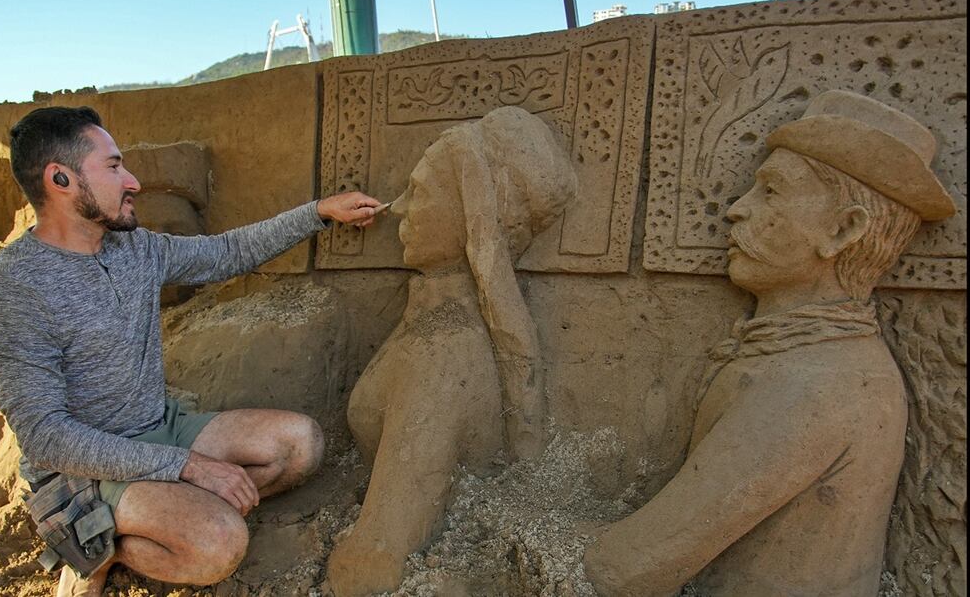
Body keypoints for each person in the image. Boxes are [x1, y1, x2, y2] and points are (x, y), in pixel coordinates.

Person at [0, 106, 381, 596]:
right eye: (114, 167)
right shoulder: (11, 290)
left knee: (300, 444)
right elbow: (47, 438)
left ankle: (163, 517)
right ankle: (93, 547)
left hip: (160, 427)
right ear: (60, 179)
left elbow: (227, 253)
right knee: (220, 544)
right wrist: (188, 468)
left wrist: (319, 212)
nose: (134, 182)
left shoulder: (135, 249)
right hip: (83, 474)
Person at [583, 90, 956, 595]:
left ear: (844, 230)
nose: (737, 210)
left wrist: (509, 531)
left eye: (771, 191)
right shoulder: (800, 356)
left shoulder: (820, 385)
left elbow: (626, 570)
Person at [326, 106, 578, 596]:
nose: (399, 208)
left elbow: (377, 558)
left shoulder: (442, 356)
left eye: (419, 192)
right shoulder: (429, 331)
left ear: (470, 209)